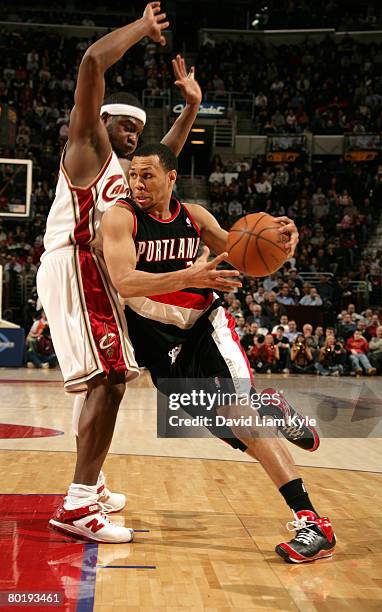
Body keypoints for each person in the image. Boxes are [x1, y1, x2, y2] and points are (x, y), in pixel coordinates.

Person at [102, 143, 335, 563]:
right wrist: (191, 273)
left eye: (147, 175)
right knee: (231, 431)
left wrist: (283, 246)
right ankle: (271, 407)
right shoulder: (120, 217)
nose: (137, 183)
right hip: (158, 344)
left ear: (171, 177)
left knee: (239, 418)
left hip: (204, 328)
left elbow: (247, 255)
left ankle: (313, 521)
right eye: (133, 174)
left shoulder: (194, 216)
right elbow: (124, 281)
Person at [37, 3, 205, 543]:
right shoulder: (86, 148)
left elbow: (165, 158)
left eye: (138, 128)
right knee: (110, 379)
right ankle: (80, 504)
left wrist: (190, 110)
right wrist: (141, 28)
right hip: (78, 261)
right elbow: (91, 63)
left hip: (95, 270)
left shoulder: (129, 173)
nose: (133, 134)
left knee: (111, 380)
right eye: (123, 125)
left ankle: (92, 484)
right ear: (99, 120)